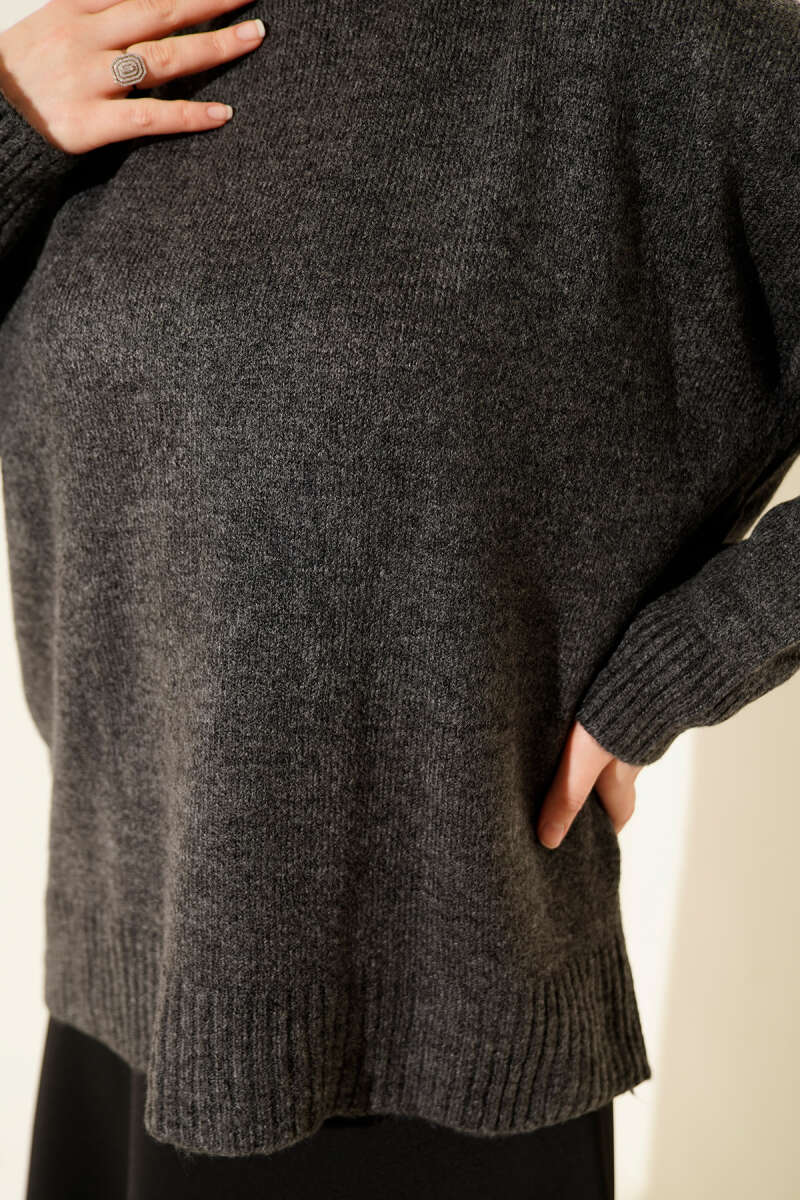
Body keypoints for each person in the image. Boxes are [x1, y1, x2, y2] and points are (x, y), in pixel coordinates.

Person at [1, 0, 798, 1196]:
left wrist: (692, 655)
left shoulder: (677, 53)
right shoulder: (120, 40)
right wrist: (5, 126)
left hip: (432, 1071)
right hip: (118, 1014)